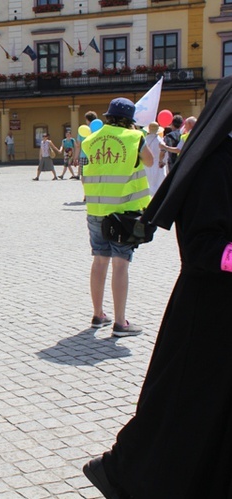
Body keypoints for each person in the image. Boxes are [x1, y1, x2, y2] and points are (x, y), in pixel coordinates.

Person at [83, 75, 232, 499]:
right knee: (181, 407)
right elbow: (203, 248)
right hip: (207, 310)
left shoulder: (96, 138)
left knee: (102, 262)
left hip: (98, 211)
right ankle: (123, 473)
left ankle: (104, 312)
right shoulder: (216, 161)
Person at [81, 97, 152, 337]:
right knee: (121, 264)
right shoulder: (134, 138)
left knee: (99, 260)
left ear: (109, 116)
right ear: (129, 120)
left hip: (96, 209)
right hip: (124, 211)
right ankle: (120, 322)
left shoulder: (91, 140)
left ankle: (98, 314)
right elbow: (150, 161)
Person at [143, 122, 167, 196]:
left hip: (146, 164)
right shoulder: (160, 141)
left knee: (147, 185)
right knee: (158, 185)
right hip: (158, 165)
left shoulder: (144, 141)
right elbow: (164, 154)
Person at [74, 110, 98, 180]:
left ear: (87, 120)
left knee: (84, 175)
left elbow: (78, 146)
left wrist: (75, 157)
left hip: (84, 155)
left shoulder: (82, 130)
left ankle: (86, 189)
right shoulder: (98, 130)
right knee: (94, 174)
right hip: (95, 156)